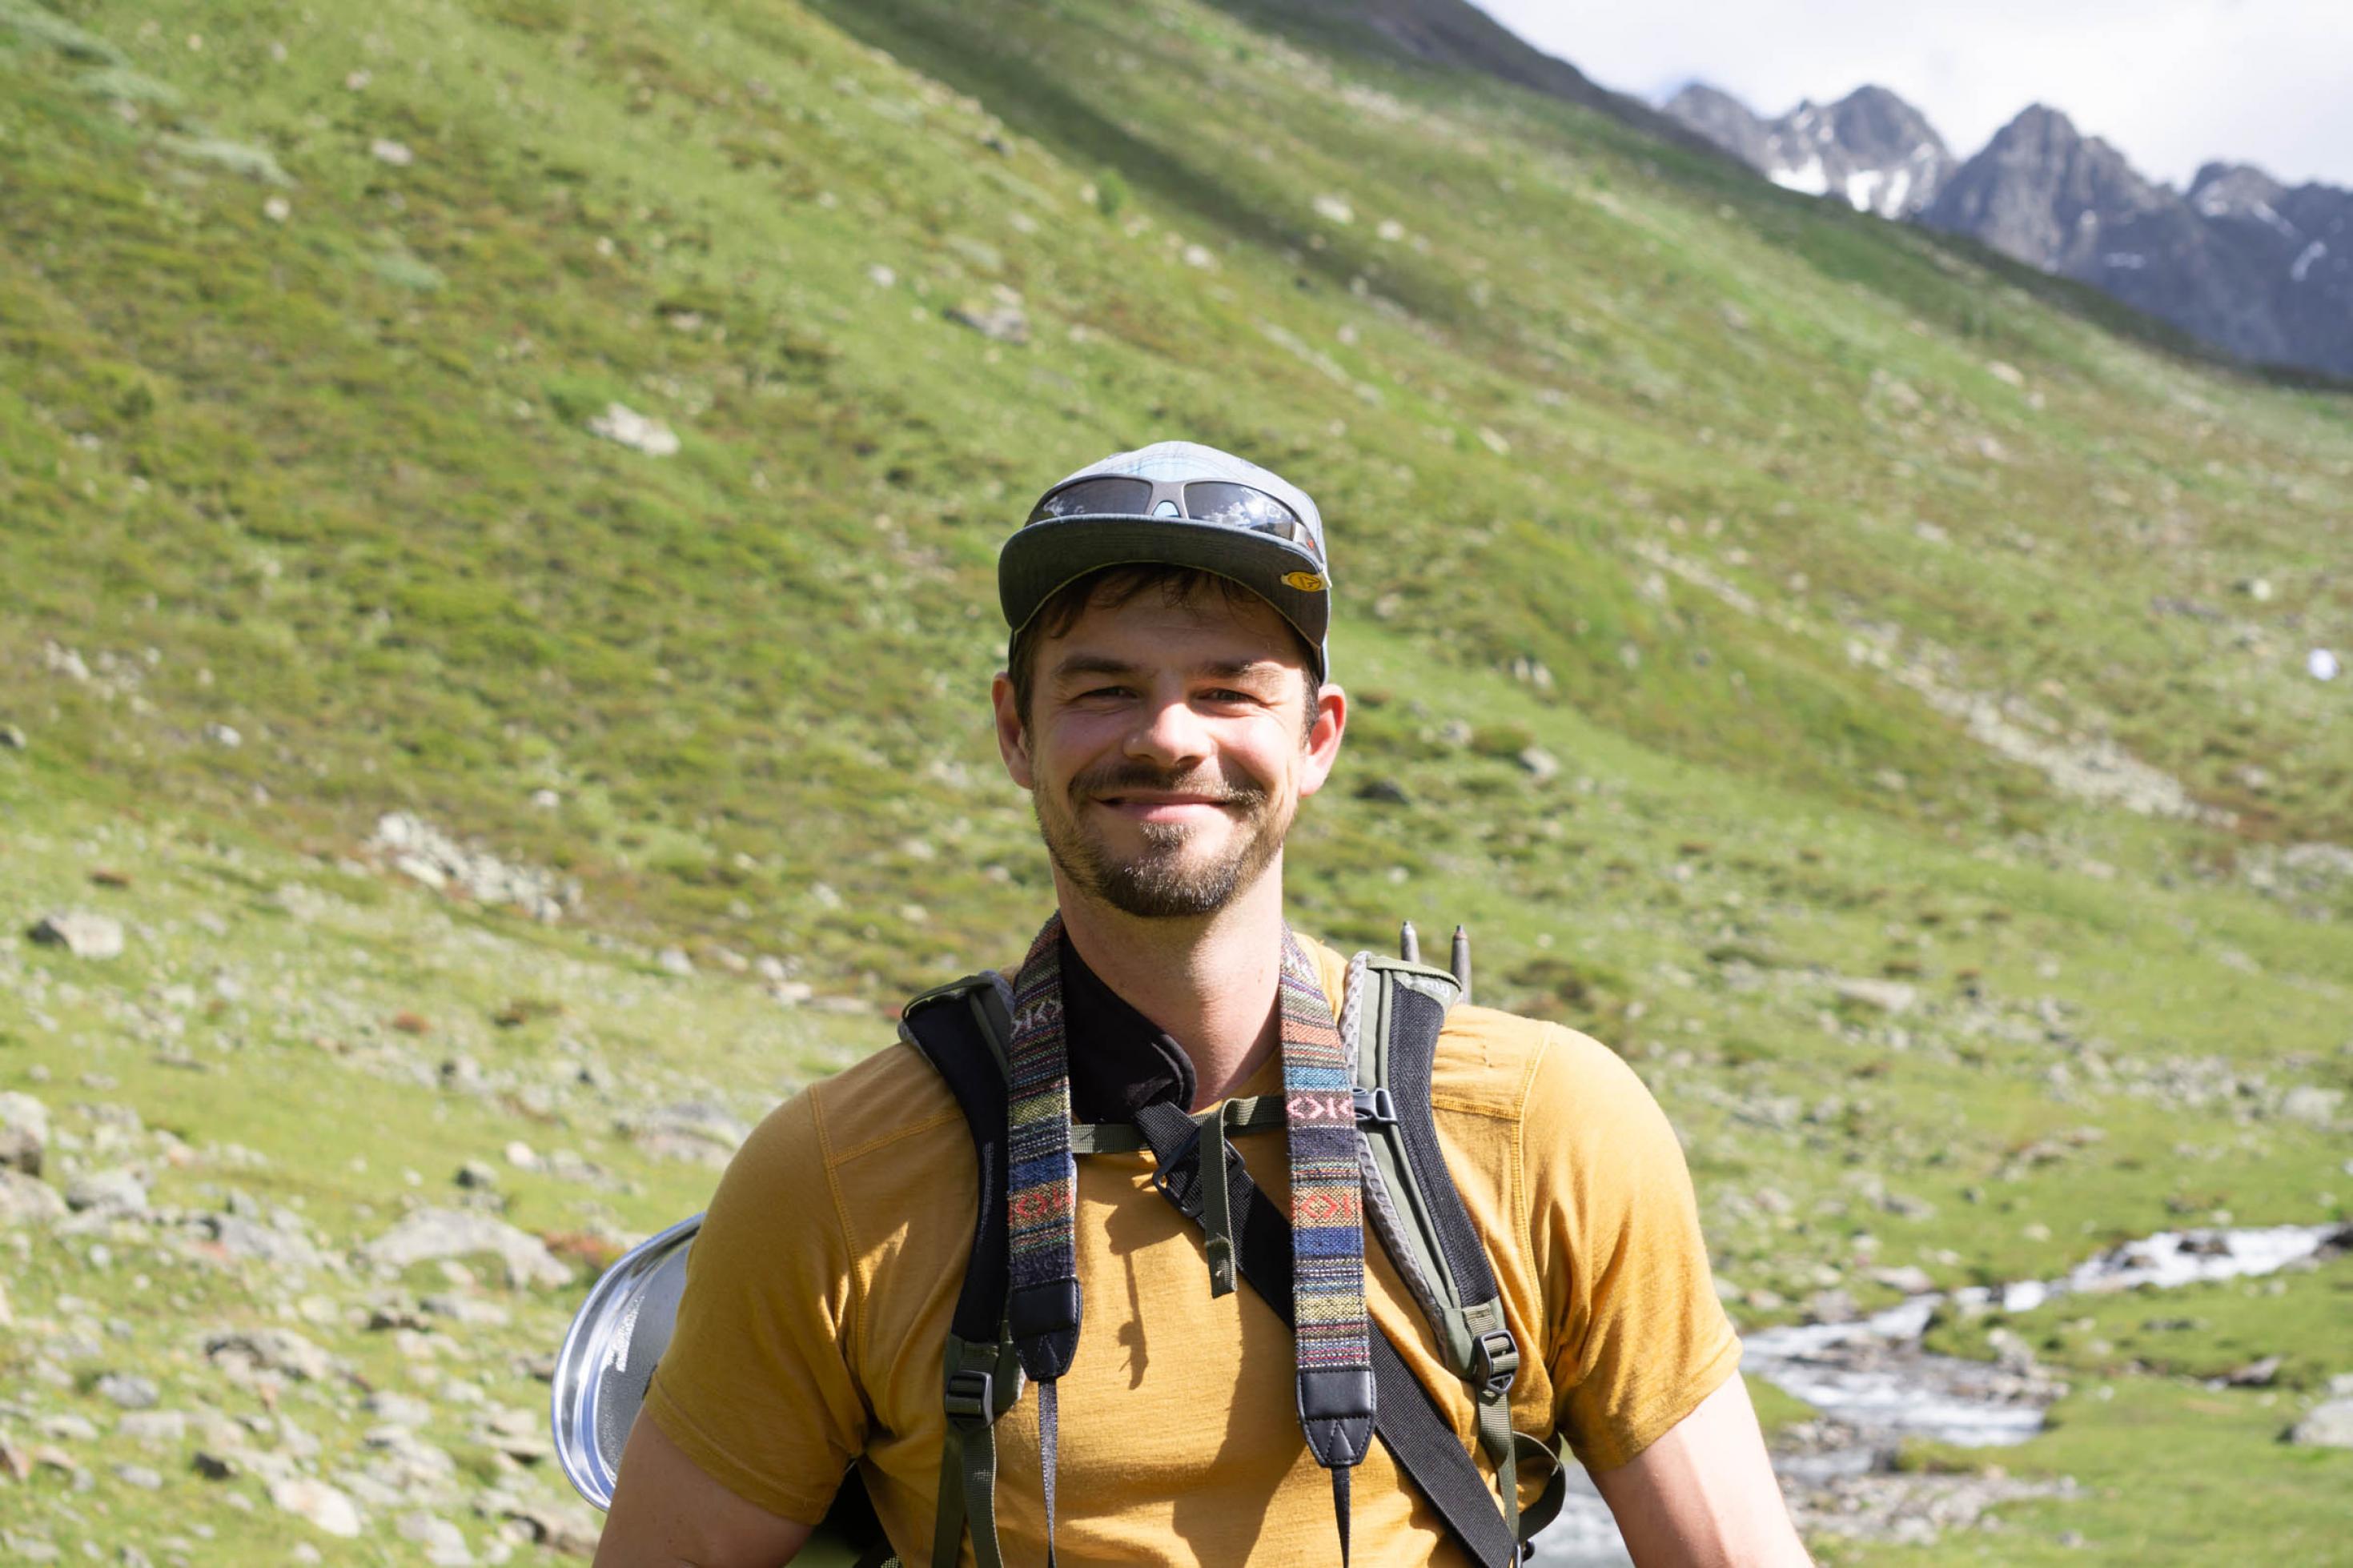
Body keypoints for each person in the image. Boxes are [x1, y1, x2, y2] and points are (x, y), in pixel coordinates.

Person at [594, 442, 1811, 1566]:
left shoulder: (1550, 1124)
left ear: (1319, 737)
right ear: (1016, 732)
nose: (1169, 737)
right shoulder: (833, 1178)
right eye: (1103, 689)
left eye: (1230, 691)